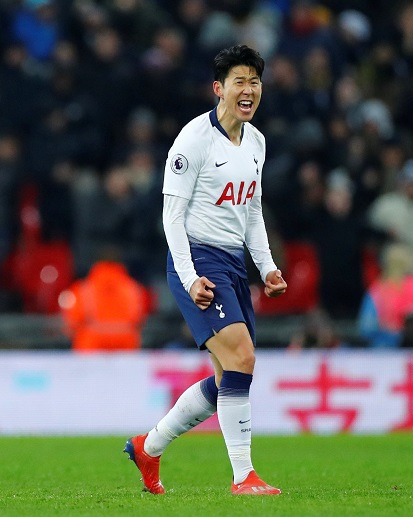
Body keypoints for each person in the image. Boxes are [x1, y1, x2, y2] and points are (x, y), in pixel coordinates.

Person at [124, 45, 287, 496]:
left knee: (227, 379)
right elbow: (171, 218)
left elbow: (251, 212)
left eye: (255, 81)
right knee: (243, 358)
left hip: (233, 263)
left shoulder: (256, 142)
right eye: (239, 81)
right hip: (199, 260)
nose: (249, 89)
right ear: (219, 89)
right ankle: (244, 477)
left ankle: (148, 447)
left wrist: (267, 267)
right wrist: (190, 274)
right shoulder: (193, 140)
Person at [60, 252, 150, 352]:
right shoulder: (134, 288)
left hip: (91, 345)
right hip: (126, 344)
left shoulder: (82, 288)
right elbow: (140, 318)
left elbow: (72, 322)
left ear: (96, 264)